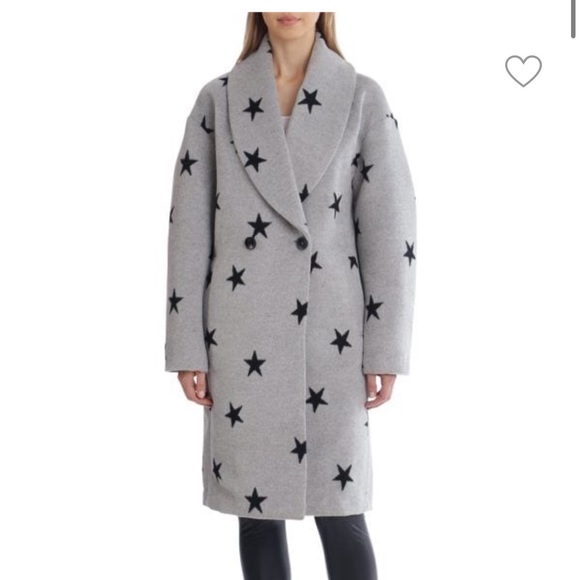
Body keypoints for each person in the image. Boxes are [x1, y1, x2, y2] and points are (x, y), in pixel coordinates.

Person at [165, 12, 417, 580]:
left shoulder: (361, 97)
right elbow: (189, 230)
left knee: (342, 512)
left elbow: (391, 228)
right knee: (255, 515)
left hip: (333, 337)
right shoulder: (219, 100)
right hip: (240, 334)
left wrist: (386, 348)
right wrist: (187, 346)